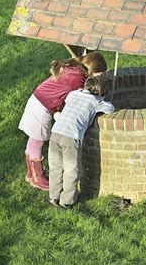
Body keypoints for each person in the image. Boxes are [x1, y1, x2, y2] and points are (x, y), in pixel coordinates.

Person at [19, 52, 107, 191]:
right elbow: (77, 99)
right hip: (43, 107)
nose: (100, 77)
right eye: (99, 74)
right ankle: (38, 178)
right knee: (38, 141)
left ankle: (31, 174)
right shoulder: (77, 78)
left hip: (37, 100)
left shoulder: (75, 68)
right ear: (93, 69)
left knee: (33, 139)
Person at [48, 76, 115, 208]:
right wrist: (102, 99)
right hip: (71, 136)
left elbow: (68, 99)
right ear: (99, 91)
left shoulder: (74, 94)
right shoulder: (95, 101)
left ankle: (54, 196)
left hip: (56, 133)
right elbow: (110, 108)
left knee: (55, 167)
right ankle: (67, 201)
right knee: (71, 170)